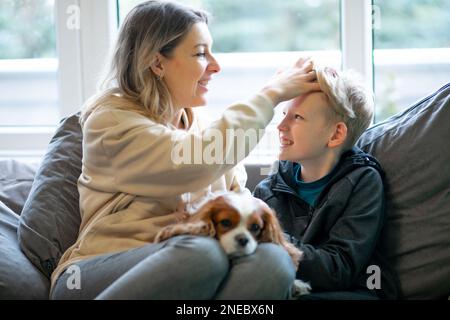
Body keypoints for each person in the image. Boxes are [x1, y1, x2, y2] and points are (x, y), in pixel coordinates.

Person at [50, 0, 320, 299]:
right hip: (95, 273)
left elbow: (239, 202)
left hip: (194, 267)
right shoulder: (111, 122)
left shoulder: (204, 127)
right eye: (201, 53)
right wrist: (272, 94)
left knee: (273, 260)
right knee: (202, 252)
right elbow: (194, 160)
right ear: (157, 62)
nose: (216, 66)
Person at [253, 67, 400, 300]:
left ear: (335, 135)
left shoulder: (362, 182)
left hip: (358, 291)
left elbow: (339, 269)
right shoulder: (268, 191)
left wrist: (272, 237)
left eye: (297, 117)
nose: (281, 126)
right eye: (283, 114)